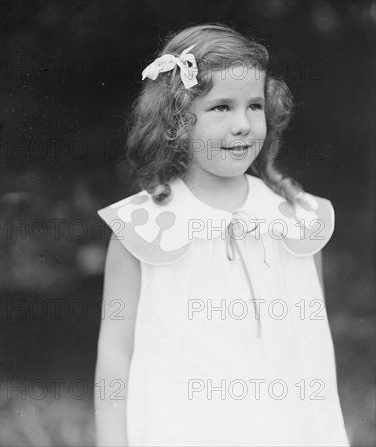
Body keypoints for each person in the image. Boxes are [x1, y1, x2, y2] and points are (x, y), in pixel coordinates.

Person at [94, 24, 350, 447]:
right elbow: (115, 353)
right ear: (177, 119)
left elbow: (312, 345)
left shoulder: (295, 220)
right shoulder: (141, 228)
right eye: (221, 108)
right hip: (181, 429)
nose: (243, 125)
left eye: (254, 106)